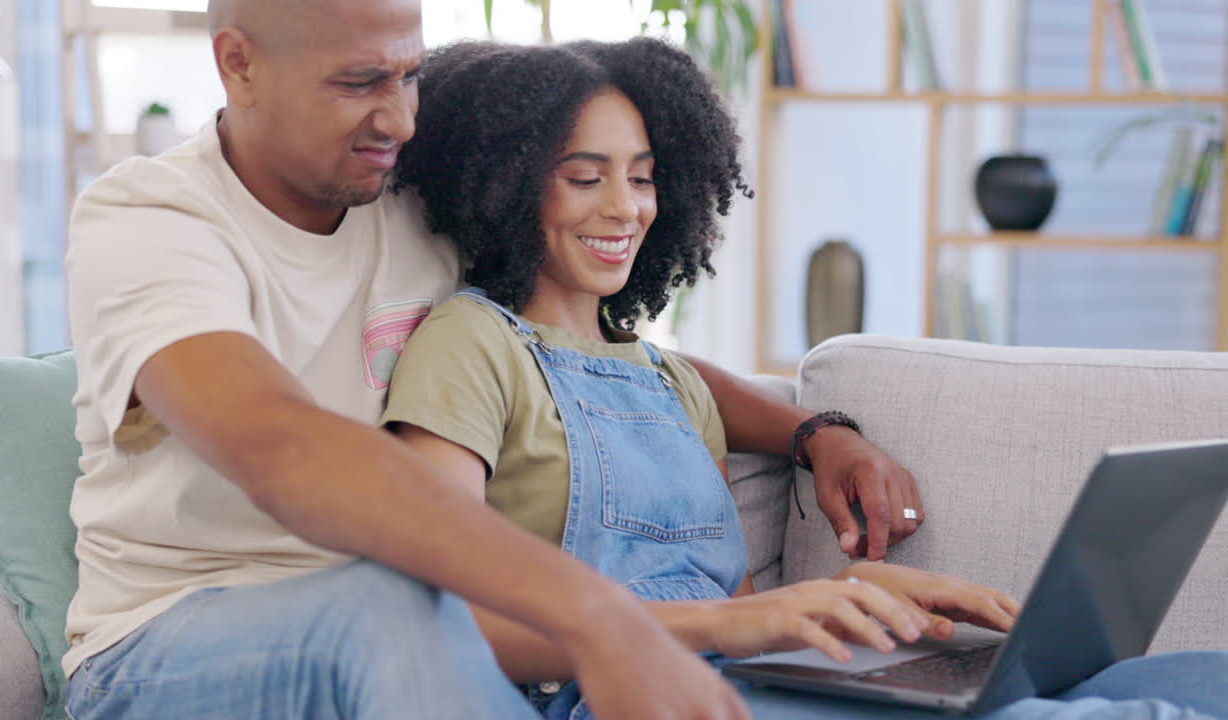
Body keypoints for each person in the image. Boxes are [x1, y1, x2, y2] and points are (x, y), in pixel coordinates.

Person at [58, 1, 923, 719]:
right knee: (397, 606)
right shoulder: (150, 219)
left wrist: (816, 431)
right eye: (360, 82)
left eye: (409, 76)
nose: (399, 119)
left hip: (409, 634)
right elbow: (278, 445)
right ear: (238, 64)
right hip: (166, 647)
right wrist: (604, 619)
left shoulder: (404, 206)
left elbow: (595, 360)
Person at [382, 37, 1228, 720]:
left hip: (746, 680)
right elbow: (436, 622)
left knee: (1202, 680)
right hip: (621, 693)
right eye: (584, 177)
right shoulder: (471, 345)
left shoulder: (669, 384)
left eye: (642, 178)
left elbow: (737, 604)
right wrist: (744, 622)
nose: (626, 208)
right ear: (498, 188)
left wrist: (859, 596)